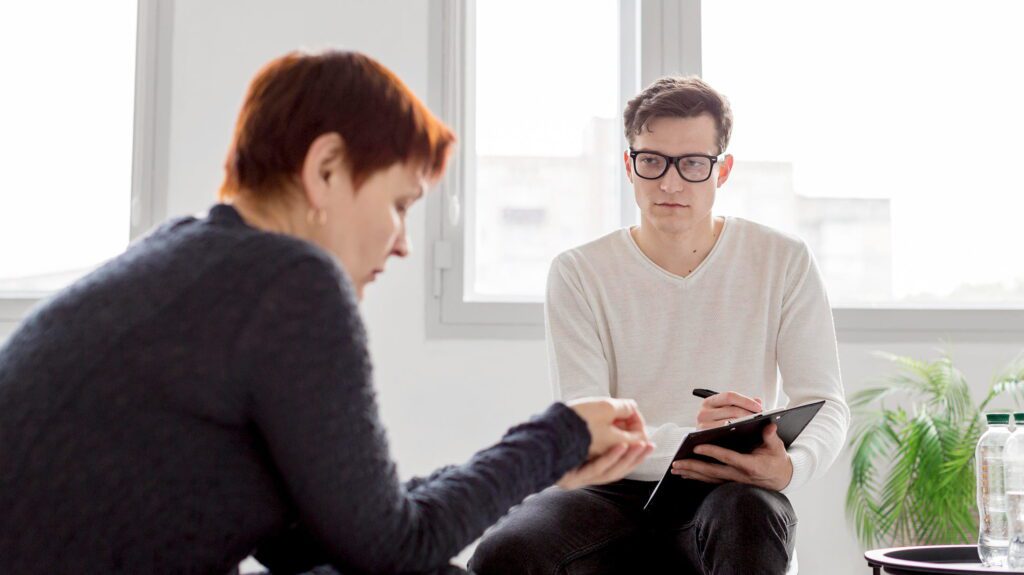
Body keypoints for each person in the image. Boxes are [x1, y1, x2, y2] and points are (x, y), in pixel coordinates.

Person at [0, 50, 655, 575]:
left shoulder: (195, 260)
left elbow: (335, 529)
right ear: (327, 168)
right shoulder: (290, 278)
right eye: (399, 204)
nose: (403, 243)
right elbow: (391, 544)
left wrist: (549, 457)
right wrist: (555, 437)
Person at [470, 77, 851, 574]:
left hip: (731, 491)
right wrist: (696, 441)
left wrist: (789, 468)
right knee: (505, 551)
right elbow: (587, 428)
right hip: (610, 489)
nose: (670, 183)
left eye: (692, 164)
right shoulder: (579, 272)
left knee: (747, 514)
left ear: (722, 171)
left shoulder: (783, 259)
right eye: (652, 161)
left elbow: (825, 402)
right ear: (629, 166)